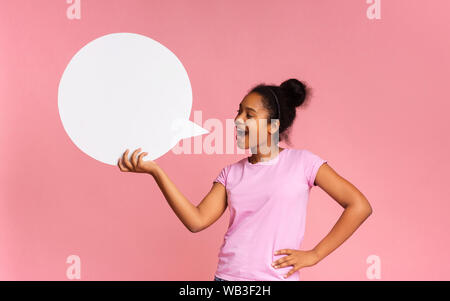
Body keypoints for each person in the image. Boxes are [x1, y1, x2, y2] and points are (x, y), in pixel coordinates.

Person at [117, 78, 373, 281]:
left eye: (249, 115)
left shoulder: (303, 163)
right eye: (239, 112)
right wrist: (156, 172)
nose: (238, 120)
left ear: (273, 126)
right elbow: (196, 221)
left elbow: (359, 205)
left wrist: (315, 254)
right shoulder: (231, 173)